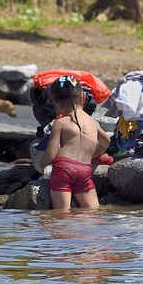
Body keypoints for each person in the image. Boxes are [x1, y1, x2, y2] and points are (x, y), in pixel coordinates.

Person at [37, 75, 108, 211]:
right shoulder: (93, 122)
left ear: (56, 103)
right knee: (93, 210)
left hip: (63, 169)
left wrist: (41, 165)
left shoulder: (60, 123)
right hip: (84, 171)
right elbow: (106, 141)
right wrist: (95, 154)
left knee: (62, 213)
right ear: (83, 97)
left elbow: (51, 155)